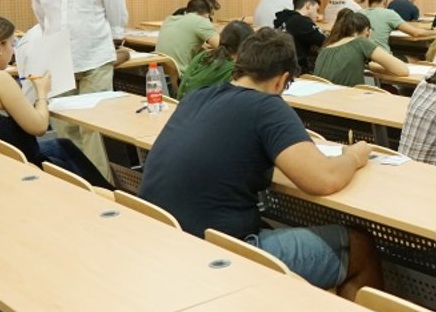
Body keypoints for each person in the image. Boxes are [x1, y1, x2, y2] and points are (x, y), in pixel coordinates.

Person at [139, 29, 380, 296]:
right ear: (282, 81)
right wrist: (354, 156)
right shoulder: (267, 106)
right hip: (215, 252)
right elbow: (324, 179)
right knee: (360, 246)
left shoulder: (197, 97)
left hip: (163, 238)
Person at [0, 12, 112, 188]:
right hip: (23, 165)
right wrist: (42, 92)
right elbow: (39, 126)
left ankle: (107, 190)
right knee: (69, 154)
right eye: (11, 44)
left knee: (63, 145)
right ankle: (107, 193)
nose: (13, 51)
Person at [29, 0, 129, 179]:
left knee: (92, 129)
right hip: (59, 63)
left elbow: (117, 16)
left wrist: (112, 49)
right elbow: (43, 20)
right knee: (65, 128)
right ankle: (74, 182)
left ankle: (100, 187)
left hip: (95, 60)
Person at [314, 10, 409, 85]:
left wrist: (368, 66)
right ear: (368, 31)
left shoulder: (325, 48)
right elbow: (403, 70)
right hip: (347, 99)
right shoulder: (360, 42)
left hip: (322, 99)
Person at [178, 20, 252, 100]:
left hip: (179, 103)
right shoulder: (234, 69)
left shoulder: (203, 55)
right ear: (246, 45)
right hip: (199, 106)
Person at [360, 0, 436, 52]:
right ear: (384, 2)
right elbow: (416, 33)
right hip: (382, 58)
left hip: (362, 58)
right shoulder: (388, 13)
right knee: (415, 58)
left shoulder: (359, 13)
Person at [157, 0, 220, 75]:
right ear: (207, 15)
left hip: (159, 71)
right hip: (183, 75)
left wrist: (199, 46)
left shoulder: (169, 19)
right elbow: (223, 47)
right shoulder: (201, 21)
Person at [273, 0, 325, 74]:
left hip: (281, 68)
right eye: (317, 10)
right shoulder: (301, 22)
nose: (318, 15)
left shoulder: (285, 19)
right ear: (308, 5)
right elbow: (325, 41)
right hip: (298, 71)